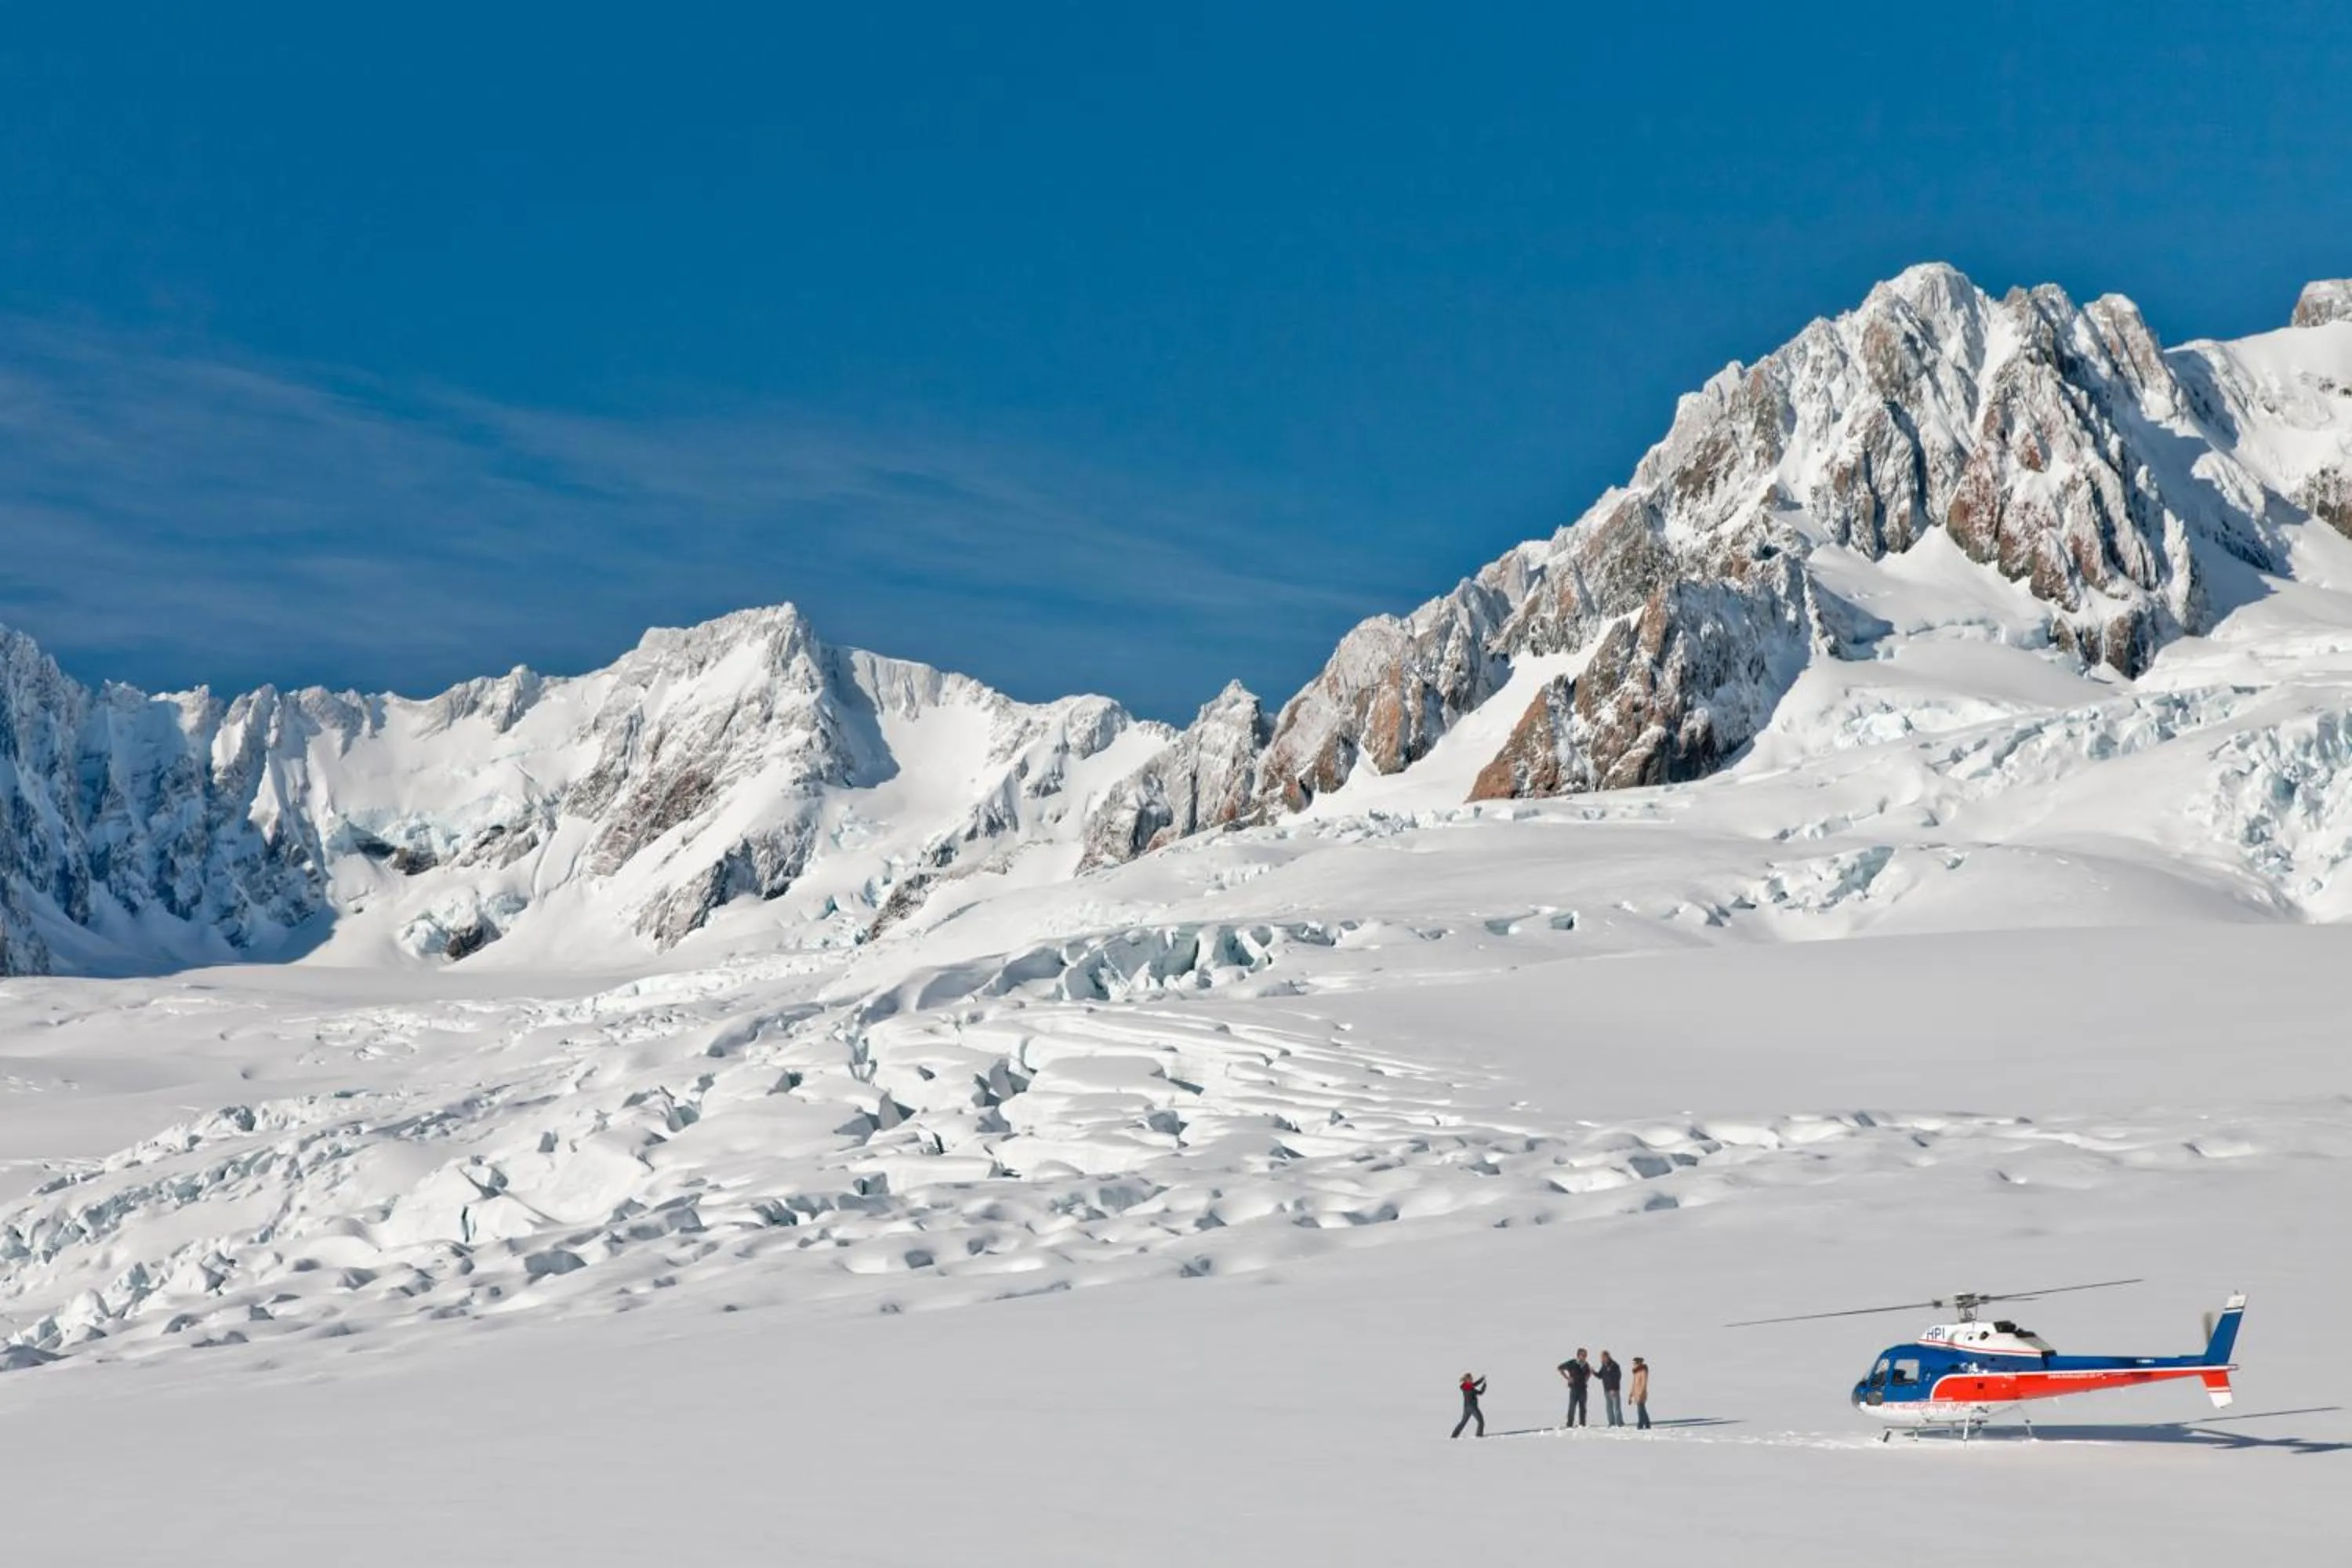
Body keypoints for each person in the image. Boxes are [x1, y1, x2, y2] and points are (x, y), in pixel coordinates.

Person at [1557, 1348, 1593, 1428]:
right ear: (1578, 1355)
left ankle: (1582, 1424)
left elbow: (1587, 1376)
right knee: (1572, 1407)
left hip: (1583, 1389)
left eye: (1585, 1355)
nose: (1584, 1356)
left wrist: (1589, 1375)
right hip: (1574, 1389)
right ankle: (1569, 1425)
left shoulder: (1586, 1365)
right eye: (1583, 1355)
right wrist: (1568, 1378)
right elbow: (1559, 1368)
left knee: (1583, 1408)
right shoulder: (1571, 1363)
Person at [1453, 1371, 1487, 1439]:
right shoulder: (1471, 1389)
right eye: (1470, 1379)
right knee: (1481, 1422)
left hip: (1466, 1408)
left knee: (1463, 1422)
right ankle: (1479, 1436)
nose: (1472, 1380)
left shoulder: (1465, 1386)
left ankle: (1454, 1436)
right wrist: (1484, 1386)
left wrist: (1481, 1379)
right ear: (1466, 1380)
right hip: (1473, 1407)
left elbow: (1474, 1384)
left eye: (1472, 1378)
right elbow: (1480, 1393)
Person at [1629, 1356, 1651, 1429]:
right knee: (1642, 1409)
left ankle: (1640, 1424)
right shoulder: (1636, 1372)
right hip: (1636, 1393)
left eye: (1635, 1363)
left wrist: (1641, 1393)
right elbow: (1633, 1384)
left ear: (1639, 1363)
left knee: (1640, 1409)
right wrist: (1631, 1395)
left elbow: (1644, 1384)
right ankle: (1647, 1423)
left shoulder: (1643, 1371)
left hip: (1641, 1393)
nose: (1633, 1365)